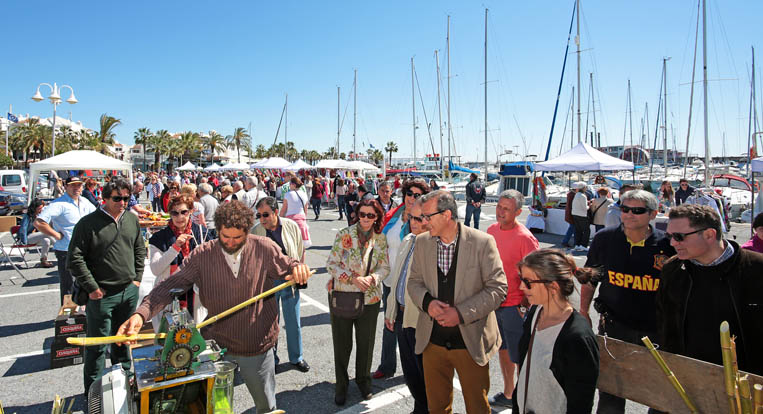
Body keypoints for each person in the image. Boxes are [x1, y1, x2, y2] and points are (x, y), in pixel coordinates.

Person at [118, 201, 312, 413]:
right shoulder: (203, 254)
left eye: (237, 238)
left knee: (266, 405)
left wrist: (298, 269)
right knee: (215, 406)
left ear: (248, 231)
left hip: (257, 344)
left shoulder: (264, 248)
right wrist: (140, 314)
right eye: (224, 237)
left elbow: (289, 266)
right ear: (217, 230)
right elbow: (171, 284)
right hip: (217, 345)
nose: (230, 243)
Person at [407, 190, 507, 414]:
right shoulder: (422, 243)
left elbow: (498, 289)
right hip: (432, 343)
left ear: (447, 215)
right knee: (437, 408)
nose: (422, 222)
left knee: (477, 407)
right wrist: (428, 303)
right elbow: (413, 282)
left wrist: (460, 313)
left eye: (427, 216)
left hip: (470, 343)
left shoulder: (482, 242)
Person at [580, 189, 675, 414]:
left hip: (656, 329)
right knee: (611, 388)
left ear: (653, 214)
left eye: (638, 211)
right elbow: (590, 276)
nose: (629, 214)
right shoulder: (604, 238)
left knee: (660, 388)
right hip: (614, 325)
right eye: (625, 209)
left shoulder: (668, 246)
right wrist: (583, 311)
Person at [658, 204, 763, 375]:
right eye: (669, 236)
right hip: (688, 378)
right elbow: (663, 320)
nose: (672, 243)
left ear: (709, 235)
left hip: (748, 385)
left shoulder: (757, 269)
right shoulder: (672, 269)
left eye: (679, 236)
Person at [67, 179, 146, 395]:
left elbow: (139, 249)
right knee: (97, 346)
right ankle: (93, 393)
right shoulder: (88, 223)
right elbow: (74, 258)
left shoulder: (131, 219)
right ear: (105, 198)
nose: (122, 202)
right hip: (101, 295)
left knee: (123, 341)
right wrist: (92, 287)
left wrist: (137, 279)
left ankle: (126, 386)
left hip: (128, 292)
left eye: (126, 198)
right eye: (117, 198)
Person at [512, 249, 600, 413]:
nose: (521, 286)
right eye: (521, 279)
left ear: (553, 286)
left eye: (527, 281)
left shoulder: (577, 337)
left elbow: (581, 403)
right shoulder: (535, 313)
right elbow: (524, 370)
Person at [326, 198, 390, 406]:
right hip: (343, 295)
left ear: (377, 217)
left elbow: (384, 267)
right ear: (356, 214)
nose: (365, 219)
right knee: (342, 344)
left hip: (370, 298)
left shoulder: (380, 239)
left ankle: (364, 381)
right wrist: (353, 279)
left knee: (366, 343)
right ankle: (341, 385)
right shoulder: (344, 235)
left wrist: (372, 279)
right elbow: (331, 265)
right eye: (362, 214)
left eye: (371, 215)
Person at [486, 190, 540, 408]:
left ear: (518, 212)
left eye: (506, 209)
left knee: (522, 357)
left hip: (515, 307)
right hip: (494, 304)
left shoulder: (526, 239)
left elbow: (537, 277)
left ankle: (523, 399)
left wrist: (526, 306)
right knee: (504, 351)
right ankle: (509, 394)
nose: (500, 212)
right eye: (499, 206)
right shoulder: (490, 230)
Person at [374, 178, 430, 380]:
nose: (412, 198)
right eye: (409, 194)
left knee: (412, 329)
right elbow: (381, 242)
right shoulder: (394, 216)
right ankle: (387, 366)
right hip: (391, 280)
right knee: (389, 323)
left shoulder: (425, 220)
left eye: (418, 195)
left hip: (413, 284)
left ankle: (415, 372)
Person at [251, 197, 310, 373]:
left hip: (290, 280)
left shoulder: (290, 226)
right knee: (270, 323)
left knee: (293, 321)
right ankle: (272, 358)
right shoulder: (256, 231)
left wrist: (301, 273)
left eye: (266, 215)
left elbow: (300, 250)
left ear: (276, 212)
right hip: (267, 283)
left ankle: (296, 357)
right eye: (259, 215)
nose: (262, 219)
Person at [383, 198, 430, 414]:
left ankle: (427, 409)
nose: (414, 222)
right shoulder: (408, 240)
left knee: (425, 372)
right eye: (411, 218)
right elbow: (397, 279)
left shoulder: (433, 246)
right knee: (410, 371)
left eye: (419, 219)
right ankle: (419, 407)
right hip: (401, 316)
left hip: (420, 319)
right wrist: (391, 311)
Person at [148, 195, 209, 327]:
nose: (179, 217)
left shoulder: (202, 234)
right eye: (174, 213)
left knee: (195, 339)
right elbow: (155, 269)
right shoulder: (159, 238)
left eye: (184, 212)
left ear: (191, 211)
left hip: (195, 298)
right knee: (170, 341)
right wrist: (175, 247)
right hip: (169, 297)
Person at [35, 176, 96, 305]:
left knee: (86, 284)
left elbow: (97, 216)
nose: (76, 188)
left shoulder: (84, 201)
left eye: (79, 185)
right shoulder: (59, 204)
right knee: (69, 287)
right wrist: (56, 235)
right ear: (66, 186)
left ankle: (81, 316)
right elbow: (39, 222)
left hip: (85, 251)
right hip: (66, 251)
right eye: (73, 185)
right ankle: (68, 317)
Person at [18, 198, 56, 268]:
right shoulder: (27, 216)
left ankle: (43, 260)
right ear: (34, 208)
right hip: (26, 238)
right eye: (39, 208)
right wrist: (24, 242)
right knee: (46, 233)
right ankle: (59, 249)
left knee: (46, 241)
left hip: (32, 237)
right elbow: (23, 229)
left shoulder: (37, 216)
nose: (41, 210)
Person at [280, 177, 311, 248]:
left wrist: (279, 220)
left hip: (290, 221)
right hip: (302, 221)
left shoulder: (288, 194)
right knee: (302, 247)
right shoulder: (304, 194)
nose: (289, 185)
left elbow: (283, 210)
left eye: (290, 184)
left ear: (293, 185)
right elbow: (305, 210)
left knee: (291, 246)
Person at [571, 181, 591, 251]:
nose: (586, 188)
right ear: (583, 188)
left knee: (578, 230)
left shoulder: (576, 194)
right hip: (582, 215)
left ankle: (577, 244)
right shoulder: (583, 196)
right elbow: (585, 208)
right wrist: (590, 206)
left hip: (575, 214)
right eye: (586, 187)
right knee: (586, 230)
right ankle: (584, 245)